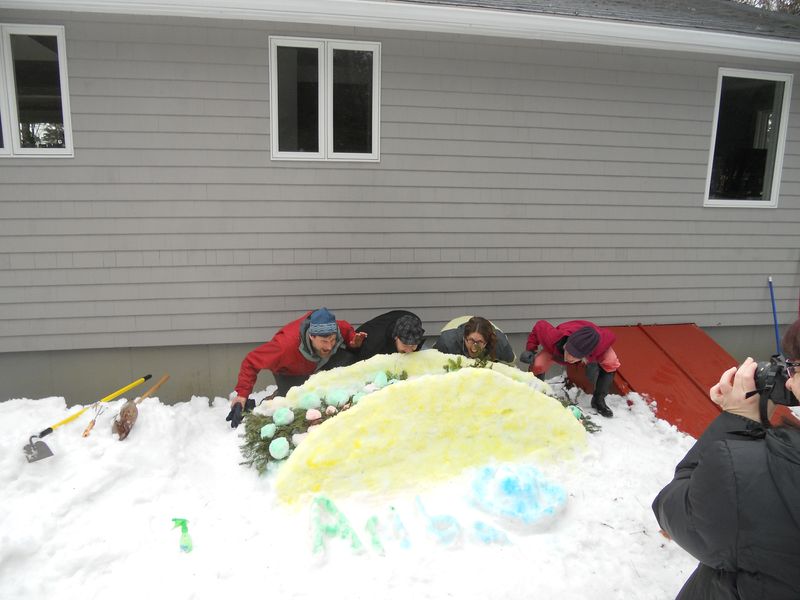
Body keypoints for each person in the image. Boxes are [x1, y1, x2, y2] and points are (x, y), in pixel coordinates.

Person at [651, 318, 800, 599]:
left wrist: (738, 418)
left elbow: (672, 507)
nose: (789, 380)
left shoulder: (750, 476)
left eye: (795, 368)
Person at [227, 307, 366, 427]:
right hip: (291, 372)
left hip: (316, 365)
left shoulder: (337, 328)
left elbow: (346, 330)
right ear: (311, 336)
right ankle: (274, 396)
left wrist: (353, 341)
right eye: (324, 341)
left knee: (347, 359)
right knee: (294, 403)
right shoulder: (283, 346)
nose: (329, 346)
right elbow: (251, 361)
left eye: (332, 340)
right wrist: (242, 395)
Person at [521, 320, 619, 417]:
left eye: (575, 355)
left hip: (592, 343)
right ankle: (534, 395)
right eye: (569, 351)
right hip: (559, 344)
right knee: (538, 365)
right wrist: (530, 350)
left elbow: (610, 338)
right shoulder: (552, 338)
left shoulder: (600, 347)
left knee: (612, 362)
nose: (569, 358)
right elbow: (540, 325)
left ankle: (598, 400)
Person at [433, 316, 515, 363]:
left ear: (486, 342)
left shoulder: (500, 344)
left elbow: (510, 367)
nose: (474, 346)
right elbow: (434, 367)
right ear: (464, 337)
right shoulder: (447, 342)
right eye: (471, 340)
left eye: (479, 342)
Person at [349, 310, 425, 361]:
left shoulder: (415, 323)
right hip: (359, 346)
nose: (409, 351)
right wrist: (355, 347)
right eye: (405, 344)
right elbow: (362, 364)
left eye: (413, 345)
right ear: (396, 337)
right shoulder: (375, 343)